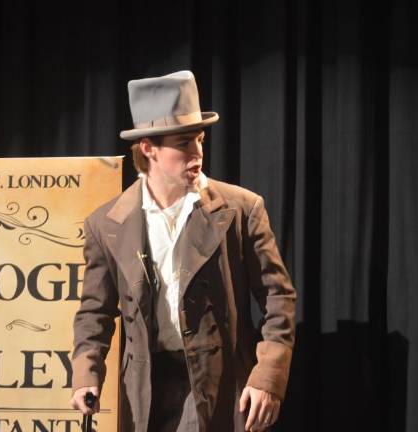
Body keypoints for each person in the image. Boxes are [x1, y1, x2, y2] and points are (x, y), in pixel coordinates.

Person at [70, 70, 296, 432]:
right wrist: (86, 373)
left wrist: (267, 373)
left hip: (216, 381)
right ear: (149, 148)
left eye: (200, 140)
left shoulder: (240, 209)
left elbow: (278, 297)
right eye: (183, 143)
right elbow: (94, 312)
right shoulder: (106, 224)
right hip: (145, 387)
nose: (198, 153)